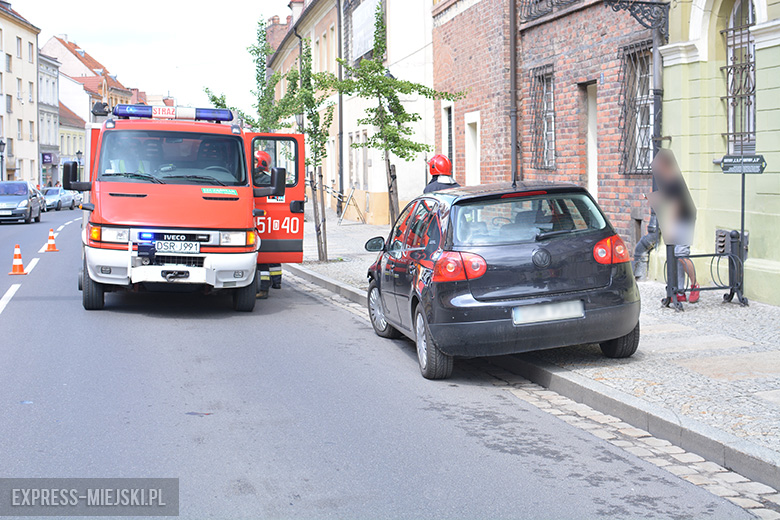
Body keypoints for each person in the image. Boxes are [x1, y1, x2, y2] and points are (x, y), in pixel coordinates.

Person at [650, 149, 700, 303]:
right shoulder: (667, 180)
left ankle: (694, 285)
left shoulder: (673, 179)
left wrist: (669, 224)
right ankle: (679, 291)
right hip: (677, 219)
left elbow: (676, 204)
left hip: (685, 218)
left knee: (681, 254)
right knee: (676, 255)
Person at [253, 149, 283, 298]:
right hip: (269, 220)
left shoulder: (255, 179)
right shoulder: (269, 178)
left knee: (262, 258)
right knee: (274, 257)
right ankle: (276, 282)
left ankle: (264, 288)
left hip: (260, 218)